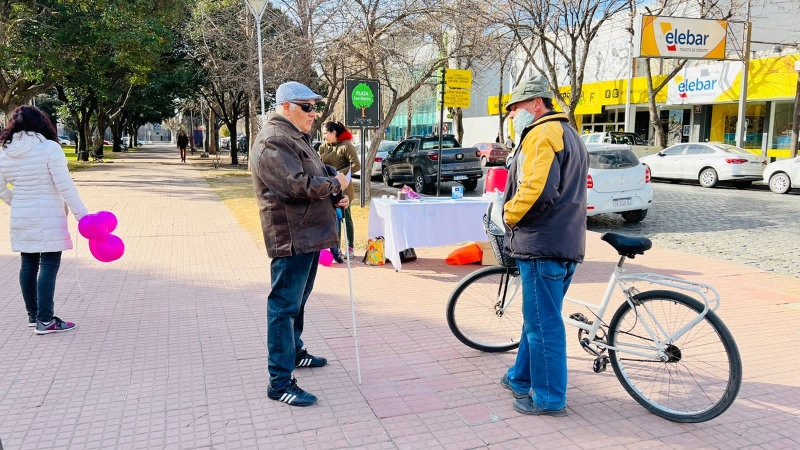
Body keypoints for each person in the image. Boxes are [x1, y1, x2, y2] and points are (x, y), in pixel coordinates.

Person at [251, 81, 349, 407]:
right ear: (287, 106)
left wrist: (335, 191)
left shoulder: (294, 138)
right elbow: (295, 185)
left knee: (298, 300)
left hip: (308, 234)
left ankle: (295, 352)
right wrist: (334, 182)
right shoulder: (274, 140)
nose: (314, 113)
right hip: (292, 236)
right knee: (283, 306)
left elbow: (316, 172)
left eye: (314, 106)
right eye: (307, 106)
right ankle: (279, 381)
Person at [499, 75, 588, 416]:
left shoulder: (542, 133)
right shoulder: (570, 134)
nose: (512, 115)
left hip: (542, 243)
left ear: (537, 104)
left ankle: (549, 397)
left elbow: (537, 190)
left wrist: (508, 213)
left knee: (543, 325)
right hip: (565, 241)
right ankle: (519, 378)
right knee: (536, 318)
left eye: (516, 108)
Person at [0, 105, 89, 334]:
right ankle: (45, 319)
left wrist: (17, 201)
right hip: (48, 214)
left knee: (28, 264)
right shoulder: (49, 148)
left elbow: (2, 189)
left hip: (21, 216)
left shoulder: (4, 151)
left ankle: (34, 315)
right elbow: (64, 185)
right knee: (48, 264)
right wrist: (82, 216)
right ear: (41, 123)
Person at [318, 121, 360, 262]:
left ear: (334, 133)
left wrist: (338, 174)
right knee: (333, 219)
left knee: (345, 218)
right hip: (329, 187)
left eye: (326, 133)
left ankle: (350, 247)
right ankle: (336, 248)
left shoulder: (346, 146)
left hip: (343, 187)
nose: (324, 136)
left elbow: (356, 165)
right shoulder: (323, 147)